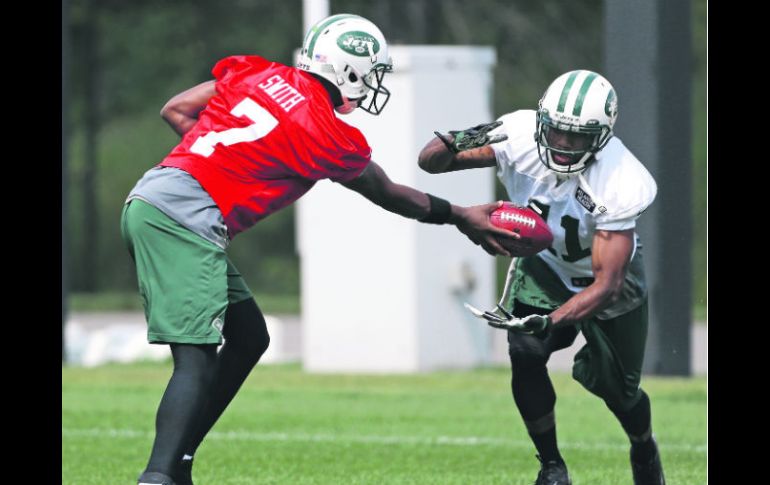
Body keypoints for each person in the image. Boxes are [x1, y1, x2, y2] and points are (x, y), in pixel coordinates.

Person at [120, 13, 516, 485]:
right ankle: (159, 476)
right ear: (348, 71)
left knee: (249, 337)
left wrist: (237, 164)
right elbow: (389, 193)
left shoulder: (259, 72)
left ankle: (178, 465)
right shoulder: (325, 133)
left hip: (155, 196)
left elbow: (177, 109)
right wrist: (462, 215)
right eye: (370, 74)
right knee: (197, 357)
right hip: (185, 218)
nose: (372, 85)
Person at [418, 70, 665, 485]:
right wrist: (462, 137)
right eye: (556, 131)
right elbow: (431, 163)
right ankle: (552, 466)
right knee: (526, 350)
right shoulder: (518, 135)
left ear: (602, 136)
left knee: (618, 392)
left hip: (606, 284)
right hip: (545, 269)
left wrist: (552, 320)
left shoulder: (622, 179)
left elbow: (607, 286)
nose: (563, 144)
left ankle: (643, 446)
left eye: (577, 136)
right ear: (541, 122)